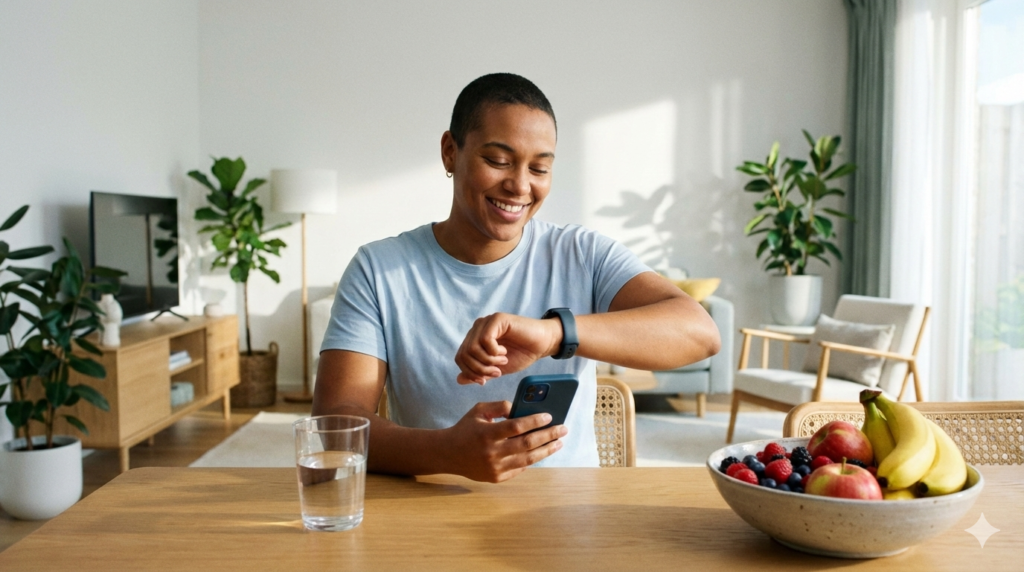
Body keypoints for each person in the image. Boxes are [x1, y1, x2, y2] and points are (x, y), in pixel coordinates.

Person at [312, 73, 720, 483]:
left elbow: (700, 333)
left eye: (539, 168)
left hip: (569, 517)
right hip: (430, 510)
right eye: (498, 161)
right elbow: (336, 421)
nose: (520, 186)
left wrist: (554, 335)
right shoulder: (379, 269)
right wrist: (447, 452)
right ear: (450, 152)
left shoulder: (583, 254)